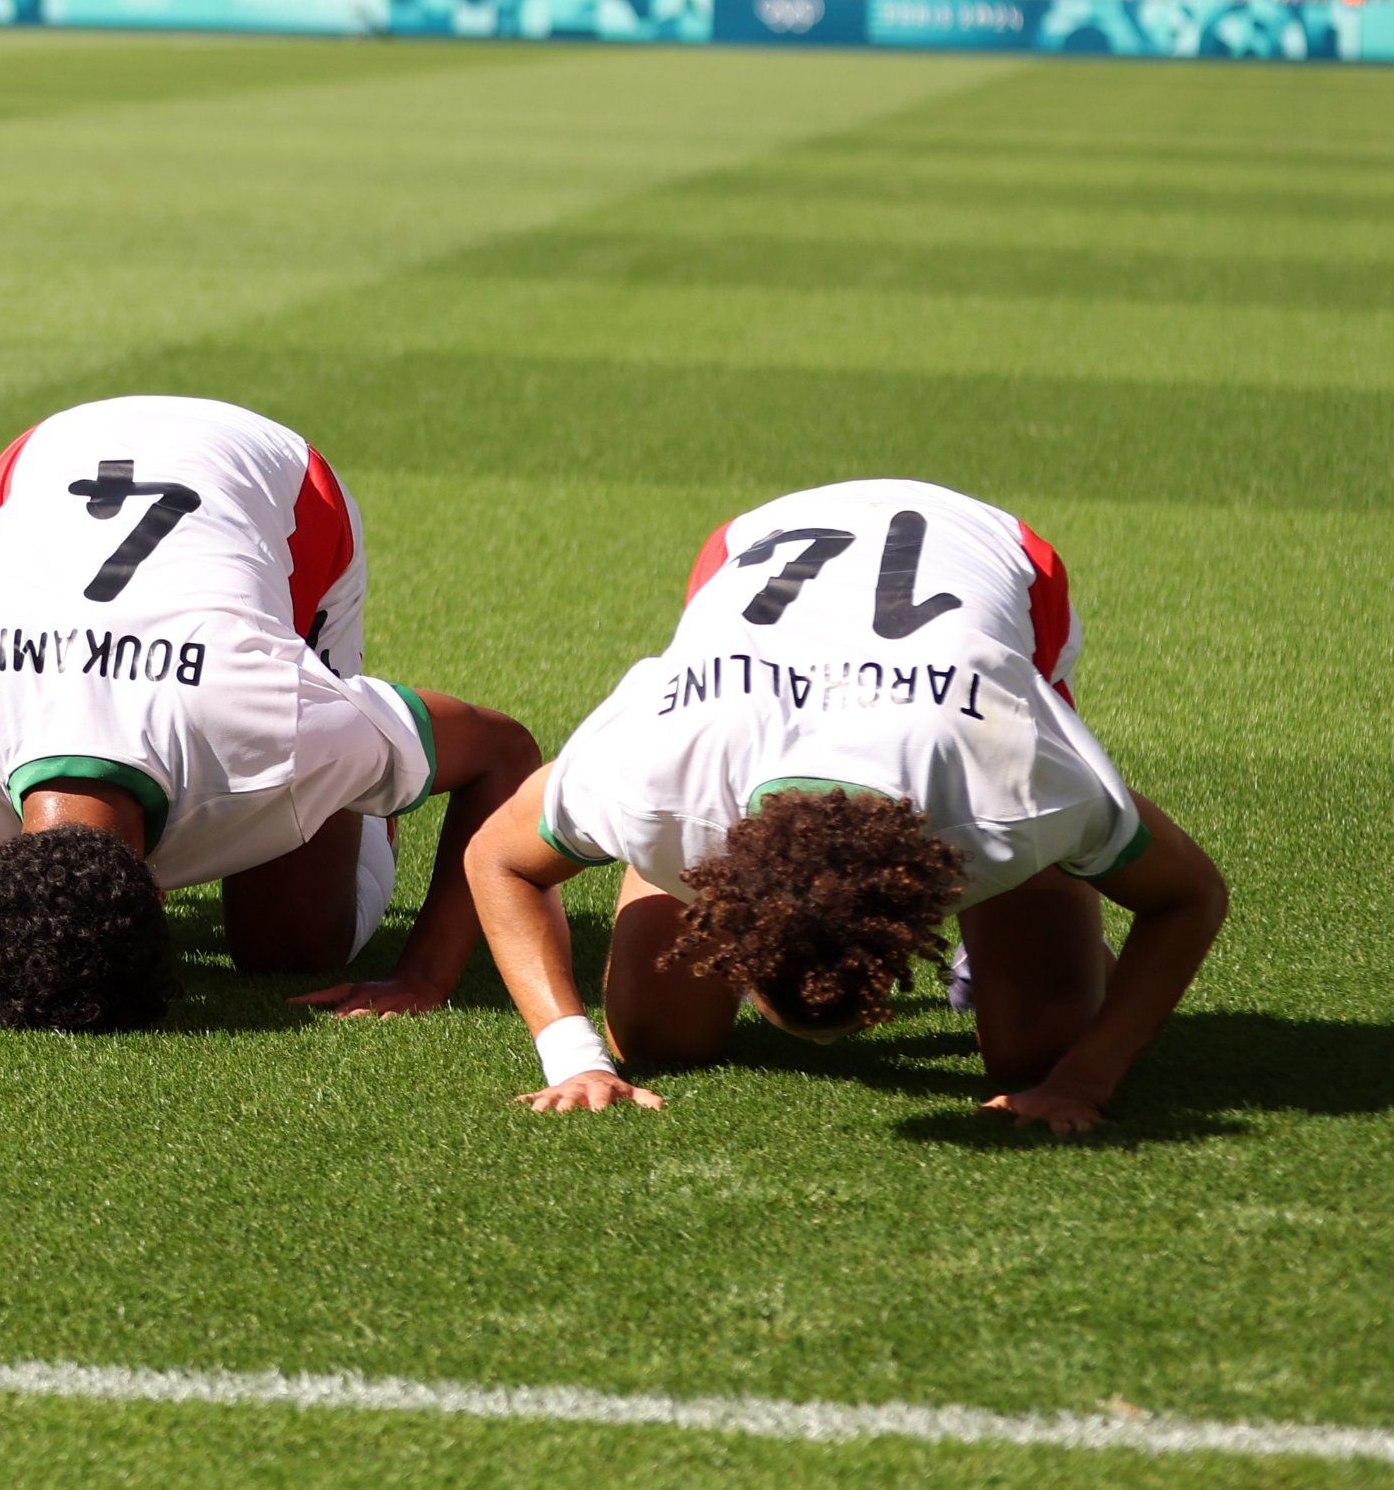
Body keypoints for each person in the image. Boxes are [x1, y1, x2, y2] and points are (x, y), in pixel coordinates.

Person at [466, 477, 1229, 1133]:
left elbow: (1189, 895)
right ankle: (676, 864)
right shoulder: (650, 774)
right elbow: (497, 857)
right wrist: (574, 1057)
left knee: (1040, 1050)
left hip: (996, 562)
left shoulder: (1015, 784)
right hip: (753, 556)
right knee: (656, 1032)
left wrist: (1083, 1078)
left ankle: (1005, 914)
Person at [0, 395, 538, 1030]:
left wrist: (425, 974)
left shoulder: (276, 729)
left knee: (295, 946)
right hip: (40, 468)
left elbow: (502, 749)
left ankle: (370, 796)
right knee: (5, 923)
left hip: (279, 483)